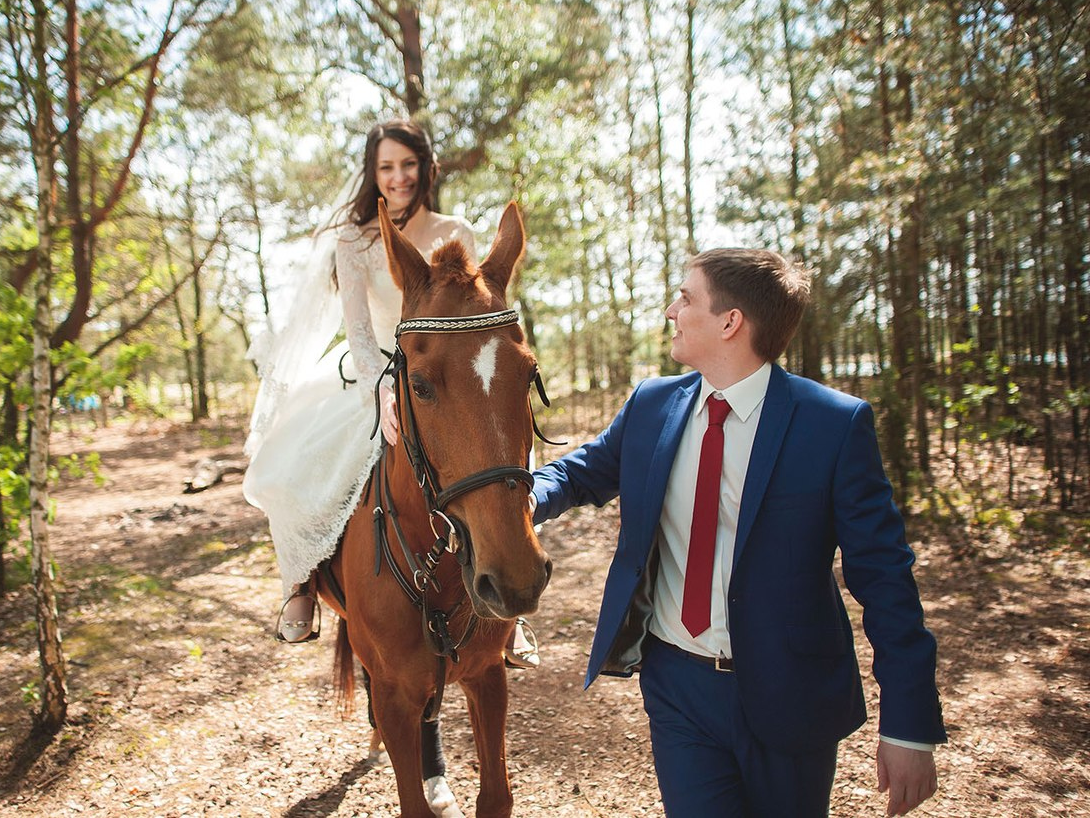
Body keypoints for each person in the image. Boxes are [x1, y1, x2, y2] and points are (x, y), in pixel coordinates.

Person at [530, 248, 945, 816]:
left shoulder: (832, 424)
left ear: (730, 323)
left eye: (686, 298)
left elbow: (885, 579)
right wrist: (521, 498)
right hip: (676, 684)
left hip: (789, 690)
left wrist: (910, 726)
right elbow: (579, 473)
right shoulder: (653, 405)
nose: (671, 309)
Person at [243, 119, 539, 668]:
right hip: (371, 367)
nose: (398, 176)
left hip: (447, 370)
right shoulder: (354, 240)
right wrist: (383, 390)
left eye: (408, 164)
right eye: (386, 167)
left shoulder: (455, 230)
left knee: (498, 451)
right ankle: (303, 581)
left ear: (425, 168)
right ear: (373, 174)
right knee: (296, 468)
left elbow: (472, 319)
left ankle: (510, 603)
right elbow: (357, 329)